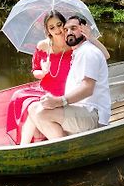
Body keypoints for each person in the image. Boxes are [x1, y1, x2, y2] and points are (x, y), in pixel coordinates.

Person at [6, 11, 110, 144]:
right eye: (66, 29)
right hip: (74, 103)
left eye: (70, 28)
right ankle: (24, 147)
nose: (63, 31)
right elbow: (36, 70)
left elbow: (88, 86)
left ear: (83, 30)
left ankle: (62, 147)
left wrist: (59, 101)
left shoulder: (87, 51)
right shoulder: (76, 49)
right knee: (32, 107)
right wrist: (44, 72)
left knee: (40, 112)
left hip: (90, 111)